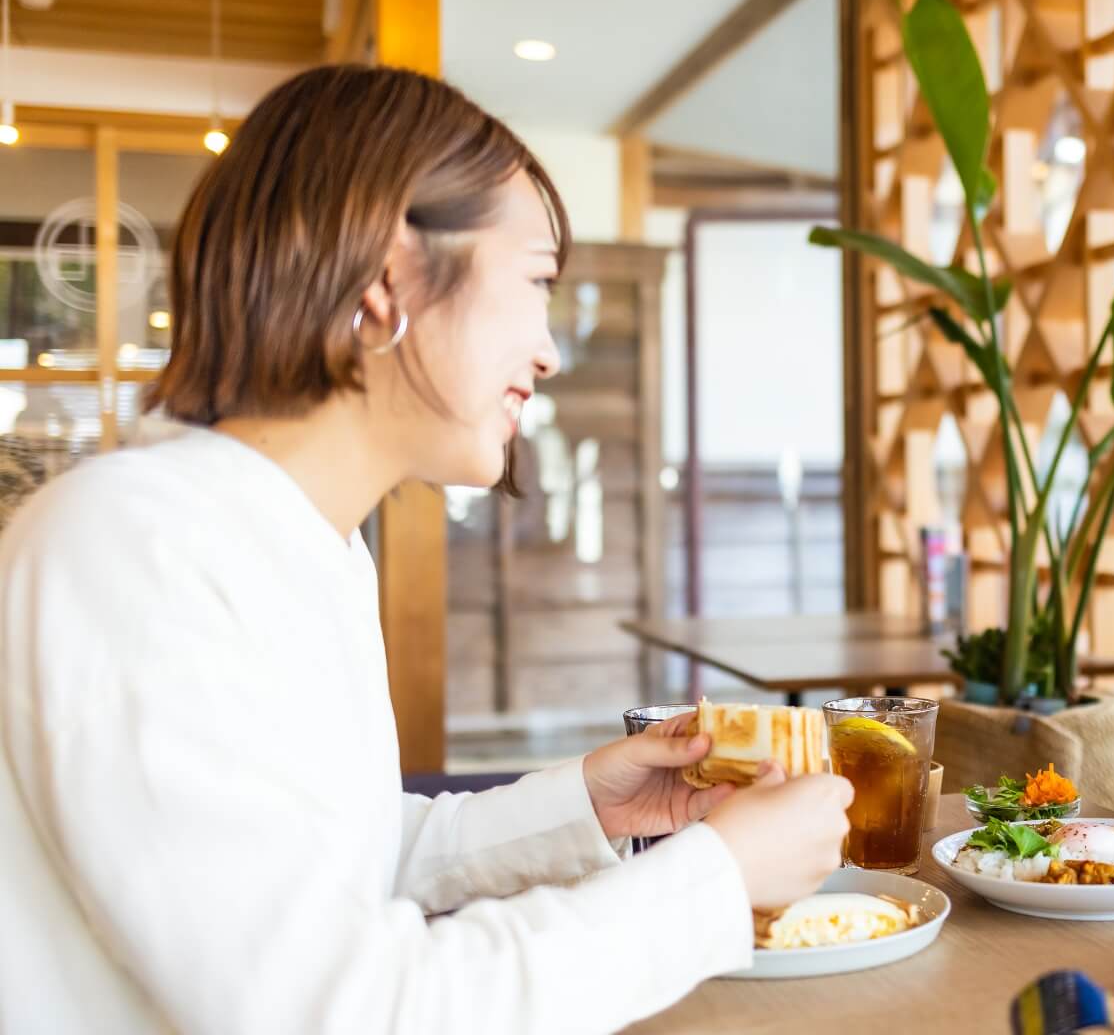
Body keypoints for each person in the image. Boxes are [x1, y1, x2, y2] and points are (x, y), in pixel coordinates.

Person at [0, 64, 853, 1033]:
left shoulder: (302, 544)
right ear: (387, 275)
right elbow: (333, 1009)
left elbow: (331, 859)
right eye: (534, 280)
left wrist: (586, 805)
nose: (549, 350)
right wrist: (719, 880)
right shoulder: (133, 548)